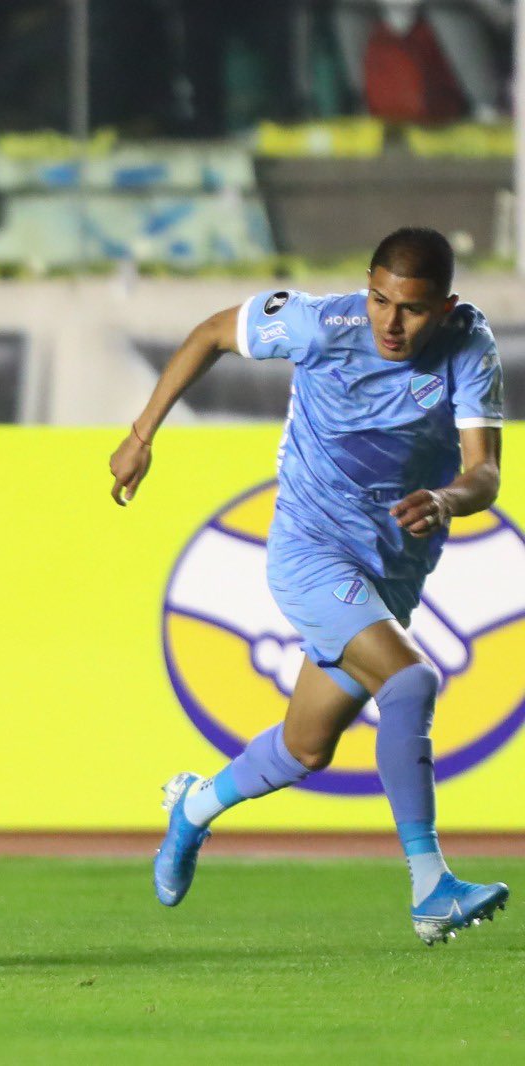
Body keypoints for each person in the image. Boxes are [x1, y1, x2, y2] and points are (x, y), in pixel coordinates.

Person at [110, 226, 507, 944]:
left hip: (392, 567)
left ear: (444, 308)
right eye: (380, 300)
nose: (391, 322)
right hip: (310, 553)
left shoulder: (470, 347)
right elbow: (209, 334)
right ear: (366, 285)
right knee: (410, 682)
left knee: (306, 747)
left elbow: (485, 473)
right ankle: (430, 887)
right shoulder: (319, 324)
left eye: (412, 311)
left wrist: (447, 499)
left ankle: (194, 808)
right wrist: (142, 435)